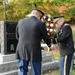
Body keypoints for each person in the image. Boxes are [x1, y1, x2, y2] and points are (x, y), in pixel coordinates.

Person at [16, 9, 51, 75]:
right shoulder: (40, 23)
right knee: (36, 71)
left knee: (22, 70)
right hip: (34, 50)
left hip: (21, 49)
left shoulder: (20, 21)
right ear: (39, 16)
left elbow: (17, 36)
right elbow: (45, 37)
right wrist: (49, 44)